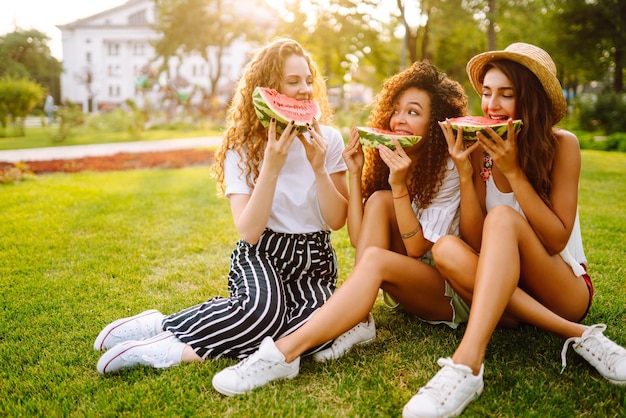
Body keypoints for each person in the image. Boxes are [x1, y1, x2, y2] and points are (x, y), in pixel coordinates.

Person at [210, 60, 470, 396]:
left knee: (377, 254)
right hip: (411, 284)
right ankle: (358, 321)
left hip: (448, 293)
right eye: (397, 110)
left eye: (413, 112)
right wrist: (354, 172)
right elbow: (359, 240)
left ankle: (282, 354)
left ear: (434, 124)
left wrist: (401, 185)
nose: (399, 119)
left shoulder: (446, 165)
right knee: (377, 200)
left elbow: (418, 248)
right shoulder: (395, 156)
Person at [93, 38, 349, 374]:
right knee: (261, 314)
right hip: (263, 252)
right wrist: (271, 167)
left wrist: (318, 167)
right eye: (292, 81)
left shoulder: (328, 139)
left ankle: (173, 345)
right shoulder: (241, 147)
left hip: (314, 261)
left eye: (307, 80)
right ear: (266, 90)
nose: (305, 90)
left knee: (312, 332)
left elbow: (336, 221)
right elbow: (249, 230)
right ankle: (163, 335)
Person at [402, 43, 626, 418]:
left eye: (506, 94)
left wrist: (516, 173)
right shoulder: (479, 151)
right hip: (508, 295)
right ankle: (577, 335)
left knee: (503, 220)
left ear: (531, 99)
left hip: (563, 288)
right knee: (445, 249)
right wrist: (465, 171)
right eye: (487, 93)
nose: (491, 105)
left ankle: (467, 364)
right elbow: (475, 242)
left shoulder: (562, 146)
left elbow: (556, 239)